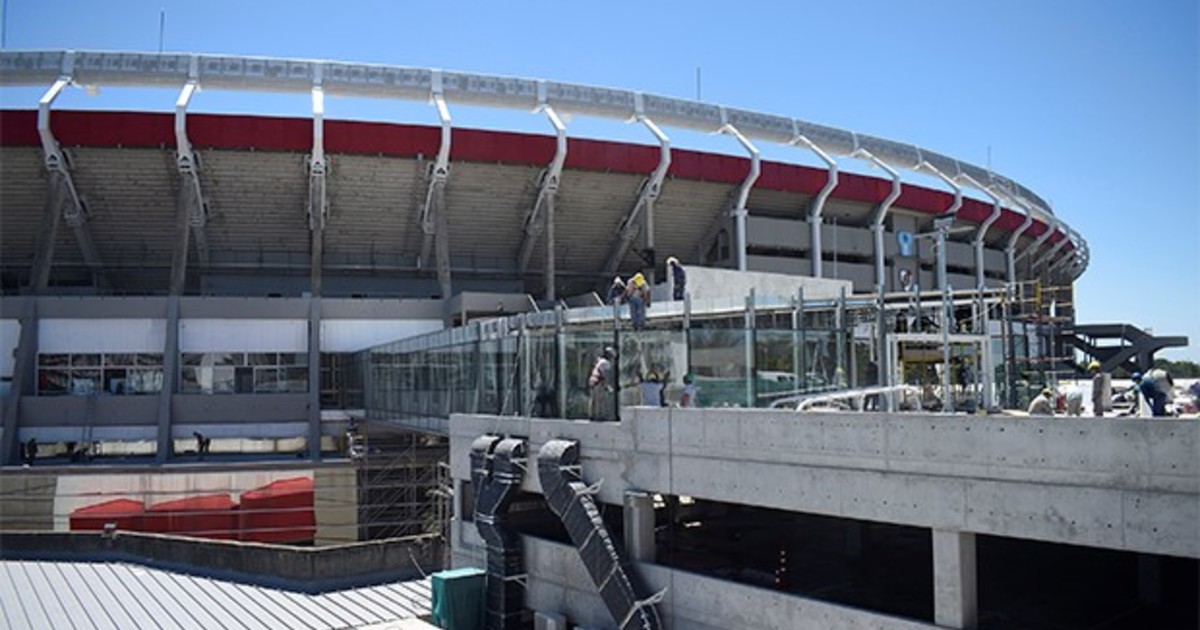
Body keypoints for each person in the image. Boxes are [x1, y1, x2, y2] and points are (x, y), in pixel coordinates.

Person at [588, 347, 616, 421]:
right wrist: (607, 386)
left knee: (593, 399)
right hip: (598, 382)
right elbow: (605, 375)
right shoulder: (605, 363)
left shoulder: (600, 361)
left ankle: (592, 414)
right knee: (599, 399)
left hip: (593, 381)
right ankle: (599, 415)